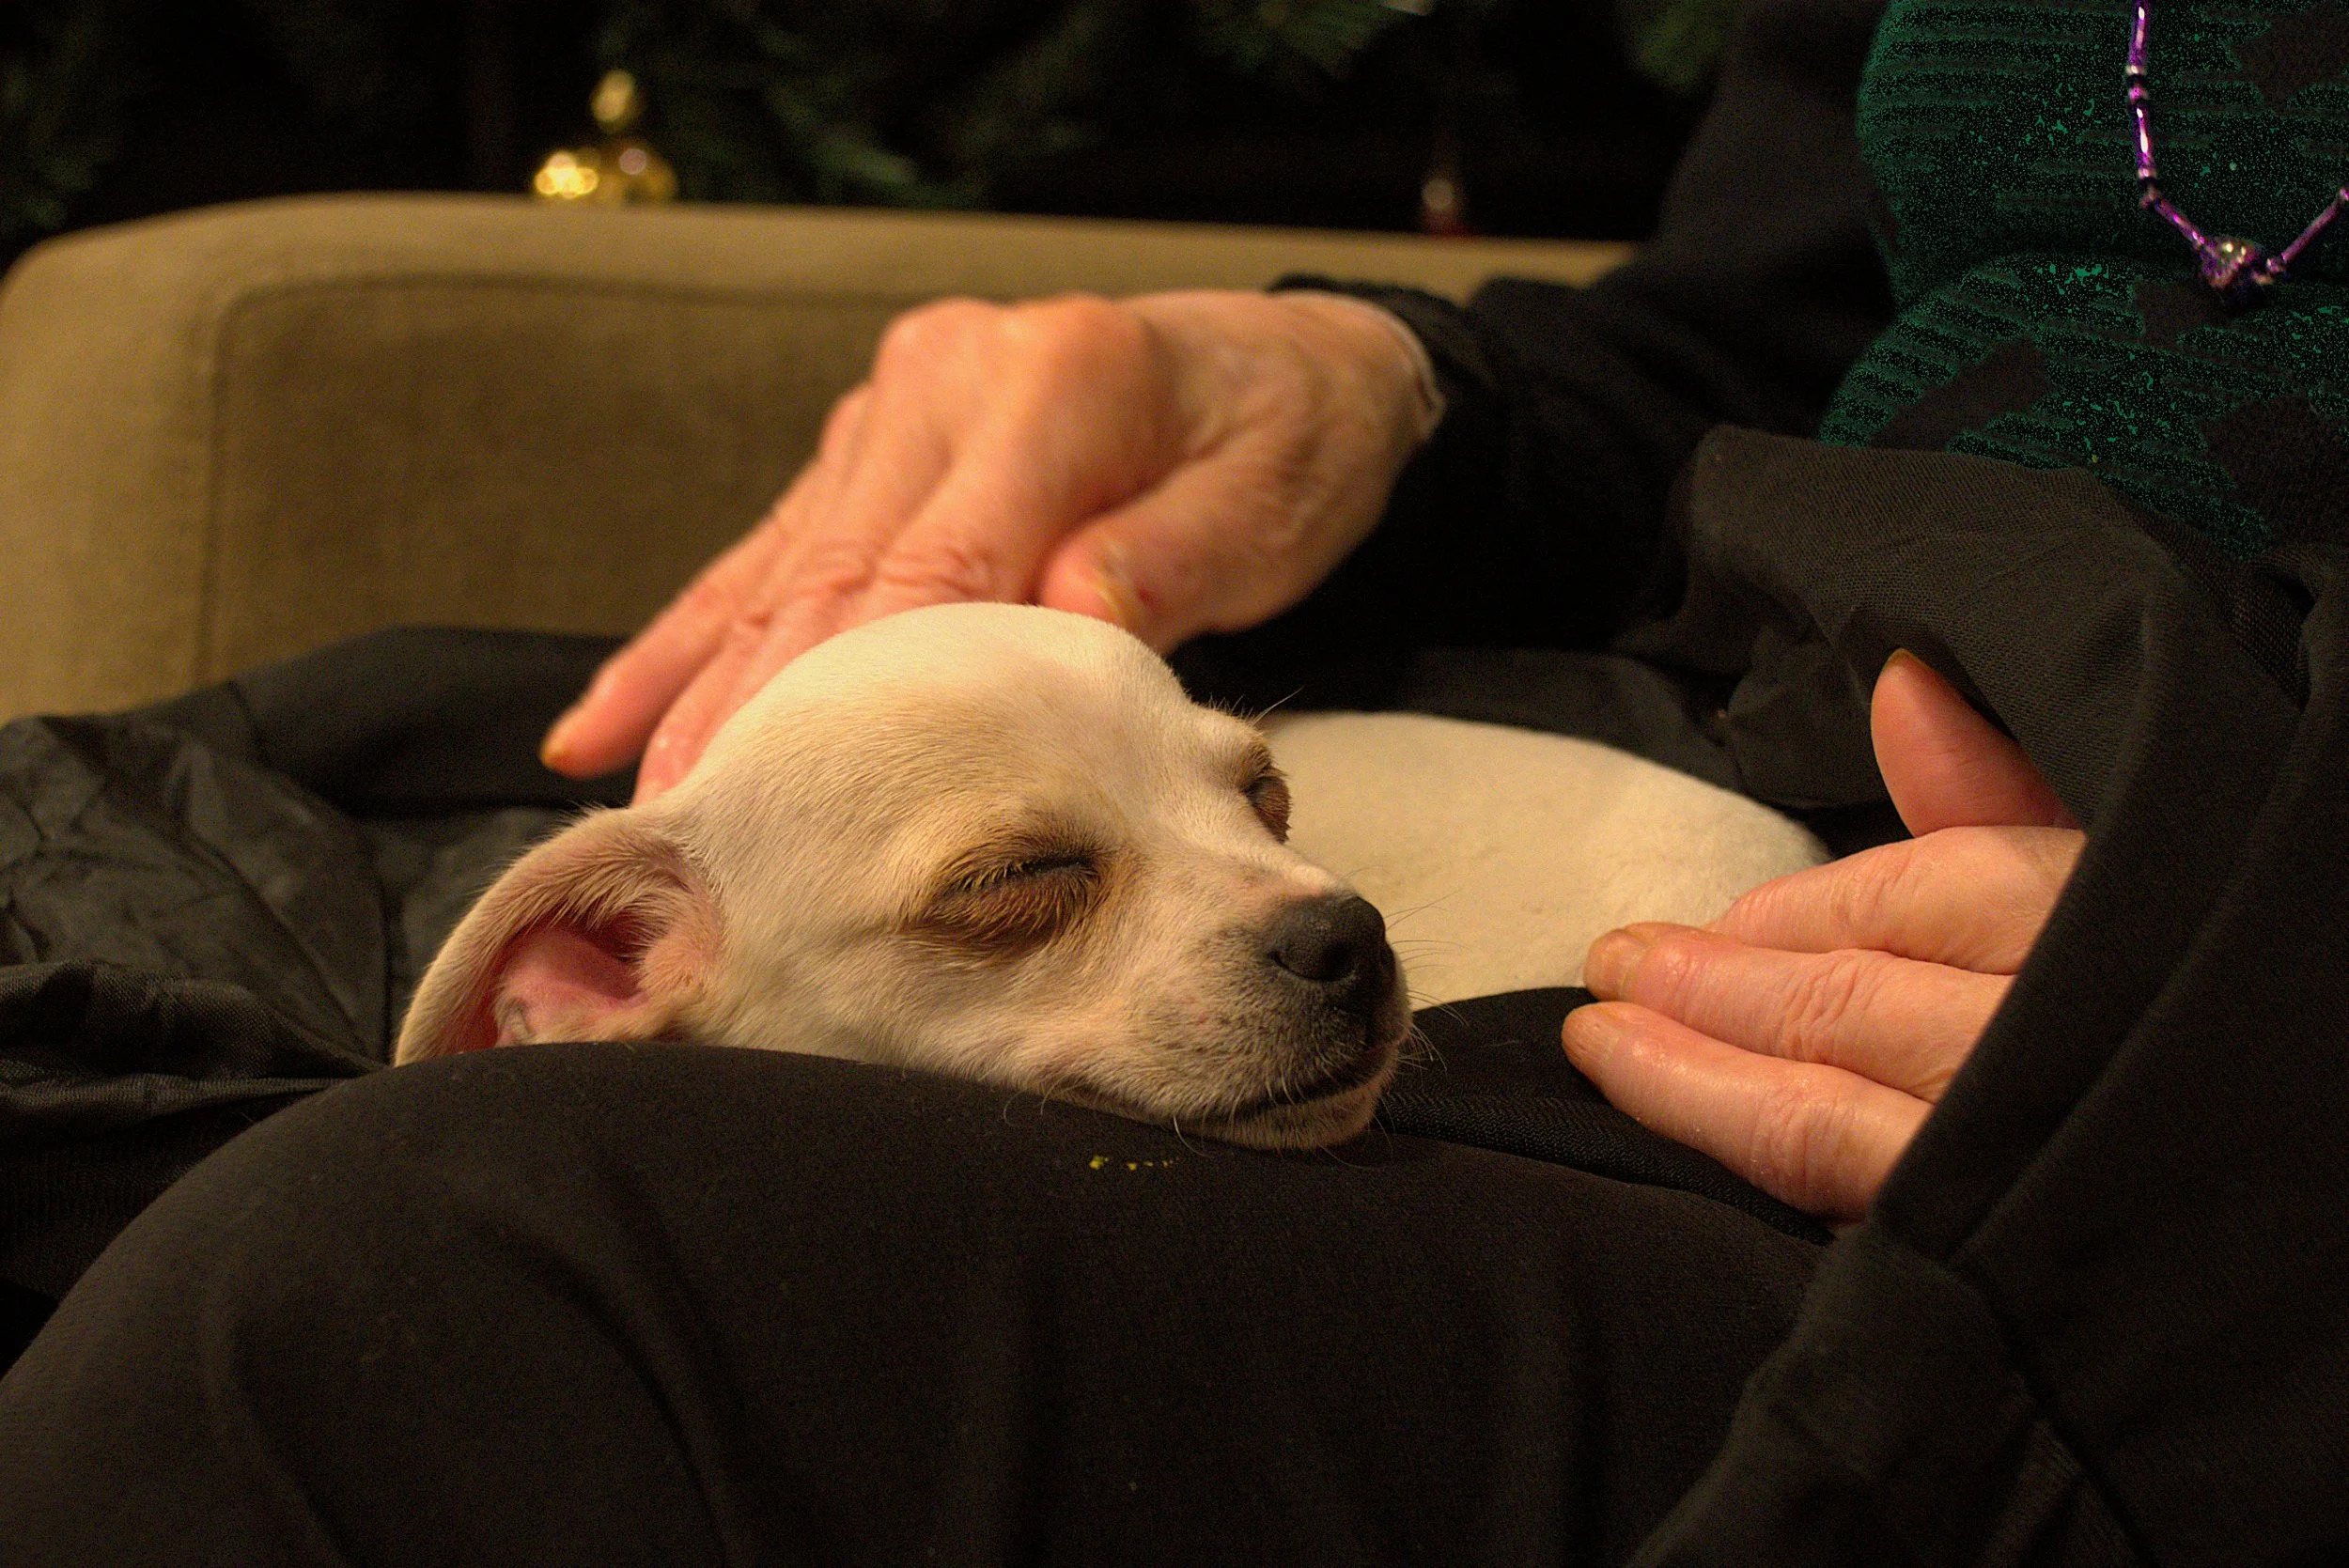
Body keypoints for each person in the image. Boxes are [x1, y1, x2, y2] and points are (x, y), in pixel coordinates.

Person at [8, 0, 2348, 1556]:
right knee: (159, 843)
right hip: (1725, 710)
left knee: (379, 1284)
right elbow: (1760, 349)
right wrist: (1376, 387)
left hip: (2145, 1104)